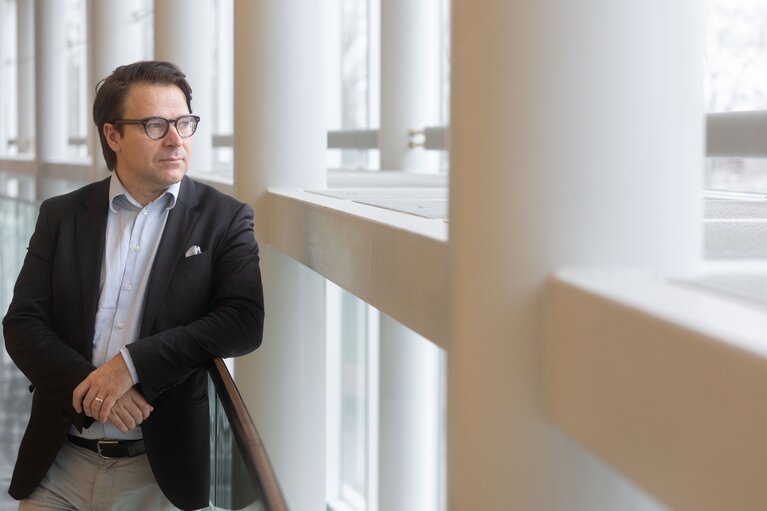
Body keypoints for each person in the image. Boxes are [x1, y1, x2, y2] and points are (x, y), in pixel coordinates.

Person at [3, 60, 265, 510]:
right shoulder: (62, 215)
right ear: (113, 136)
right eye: (155, 125)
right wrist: (91, 387)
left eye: (184, 123)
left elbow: (243, 322)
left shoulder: (225, 218)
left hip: (158, 475)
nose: (175, 139)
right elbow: (23, 323)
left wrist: (132, 365)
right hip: (59, 463)